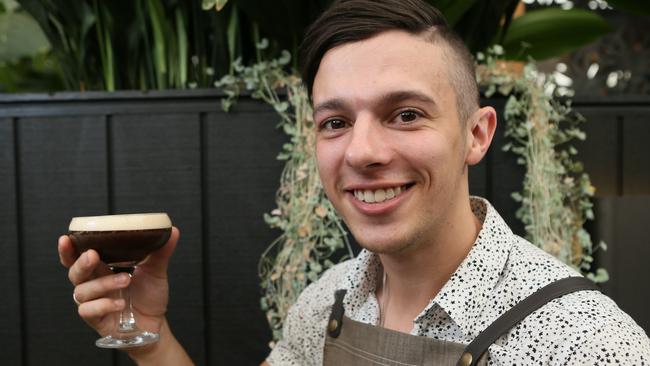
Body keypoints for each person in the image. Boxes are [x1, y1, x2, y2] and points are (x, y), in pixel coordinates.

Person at [58, 0, 650, 365]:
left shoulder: (587, 343)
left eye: (406, 114)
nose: (362, 152)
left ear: (477, 133)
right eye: (336, 122)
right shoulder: (327, 300)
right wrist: (148, 336)